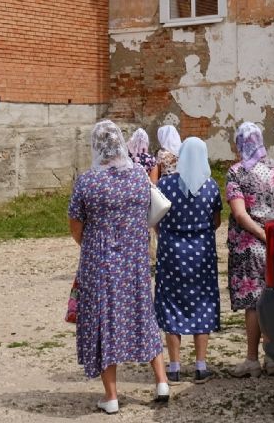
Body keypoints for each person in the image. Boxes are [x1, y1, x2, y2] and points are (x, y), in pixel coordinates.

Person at [69, 120, 171, 413]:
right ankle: (161, 381)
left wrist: (93, 245)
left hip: (99, 262)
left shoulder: (87, 182)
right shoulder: (139, 175)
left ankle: (111, 396)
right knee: (142, 313)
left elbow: (76, 227)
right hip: (135, 259)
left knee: (104, 321)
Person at [225, 122, 274, 378]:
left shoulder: (236, 173)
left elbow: (239, 213)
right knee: (273, 299)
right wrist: (273, 235)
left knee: (254, 303)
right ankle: (273, 357)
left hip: (248, 246)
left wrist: (259, 234)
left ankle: (252, 359)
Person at [154, 136, 222, 383]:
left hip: (171, 251)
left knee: (172, 301)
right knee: (202, 301)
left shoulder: (165, 184)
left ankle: (174, 365)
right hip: (202, 252)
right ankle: (201, 365)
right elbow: (216, 221)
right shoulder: (211, 186)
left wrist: (169, 233)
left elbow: (156, 218)